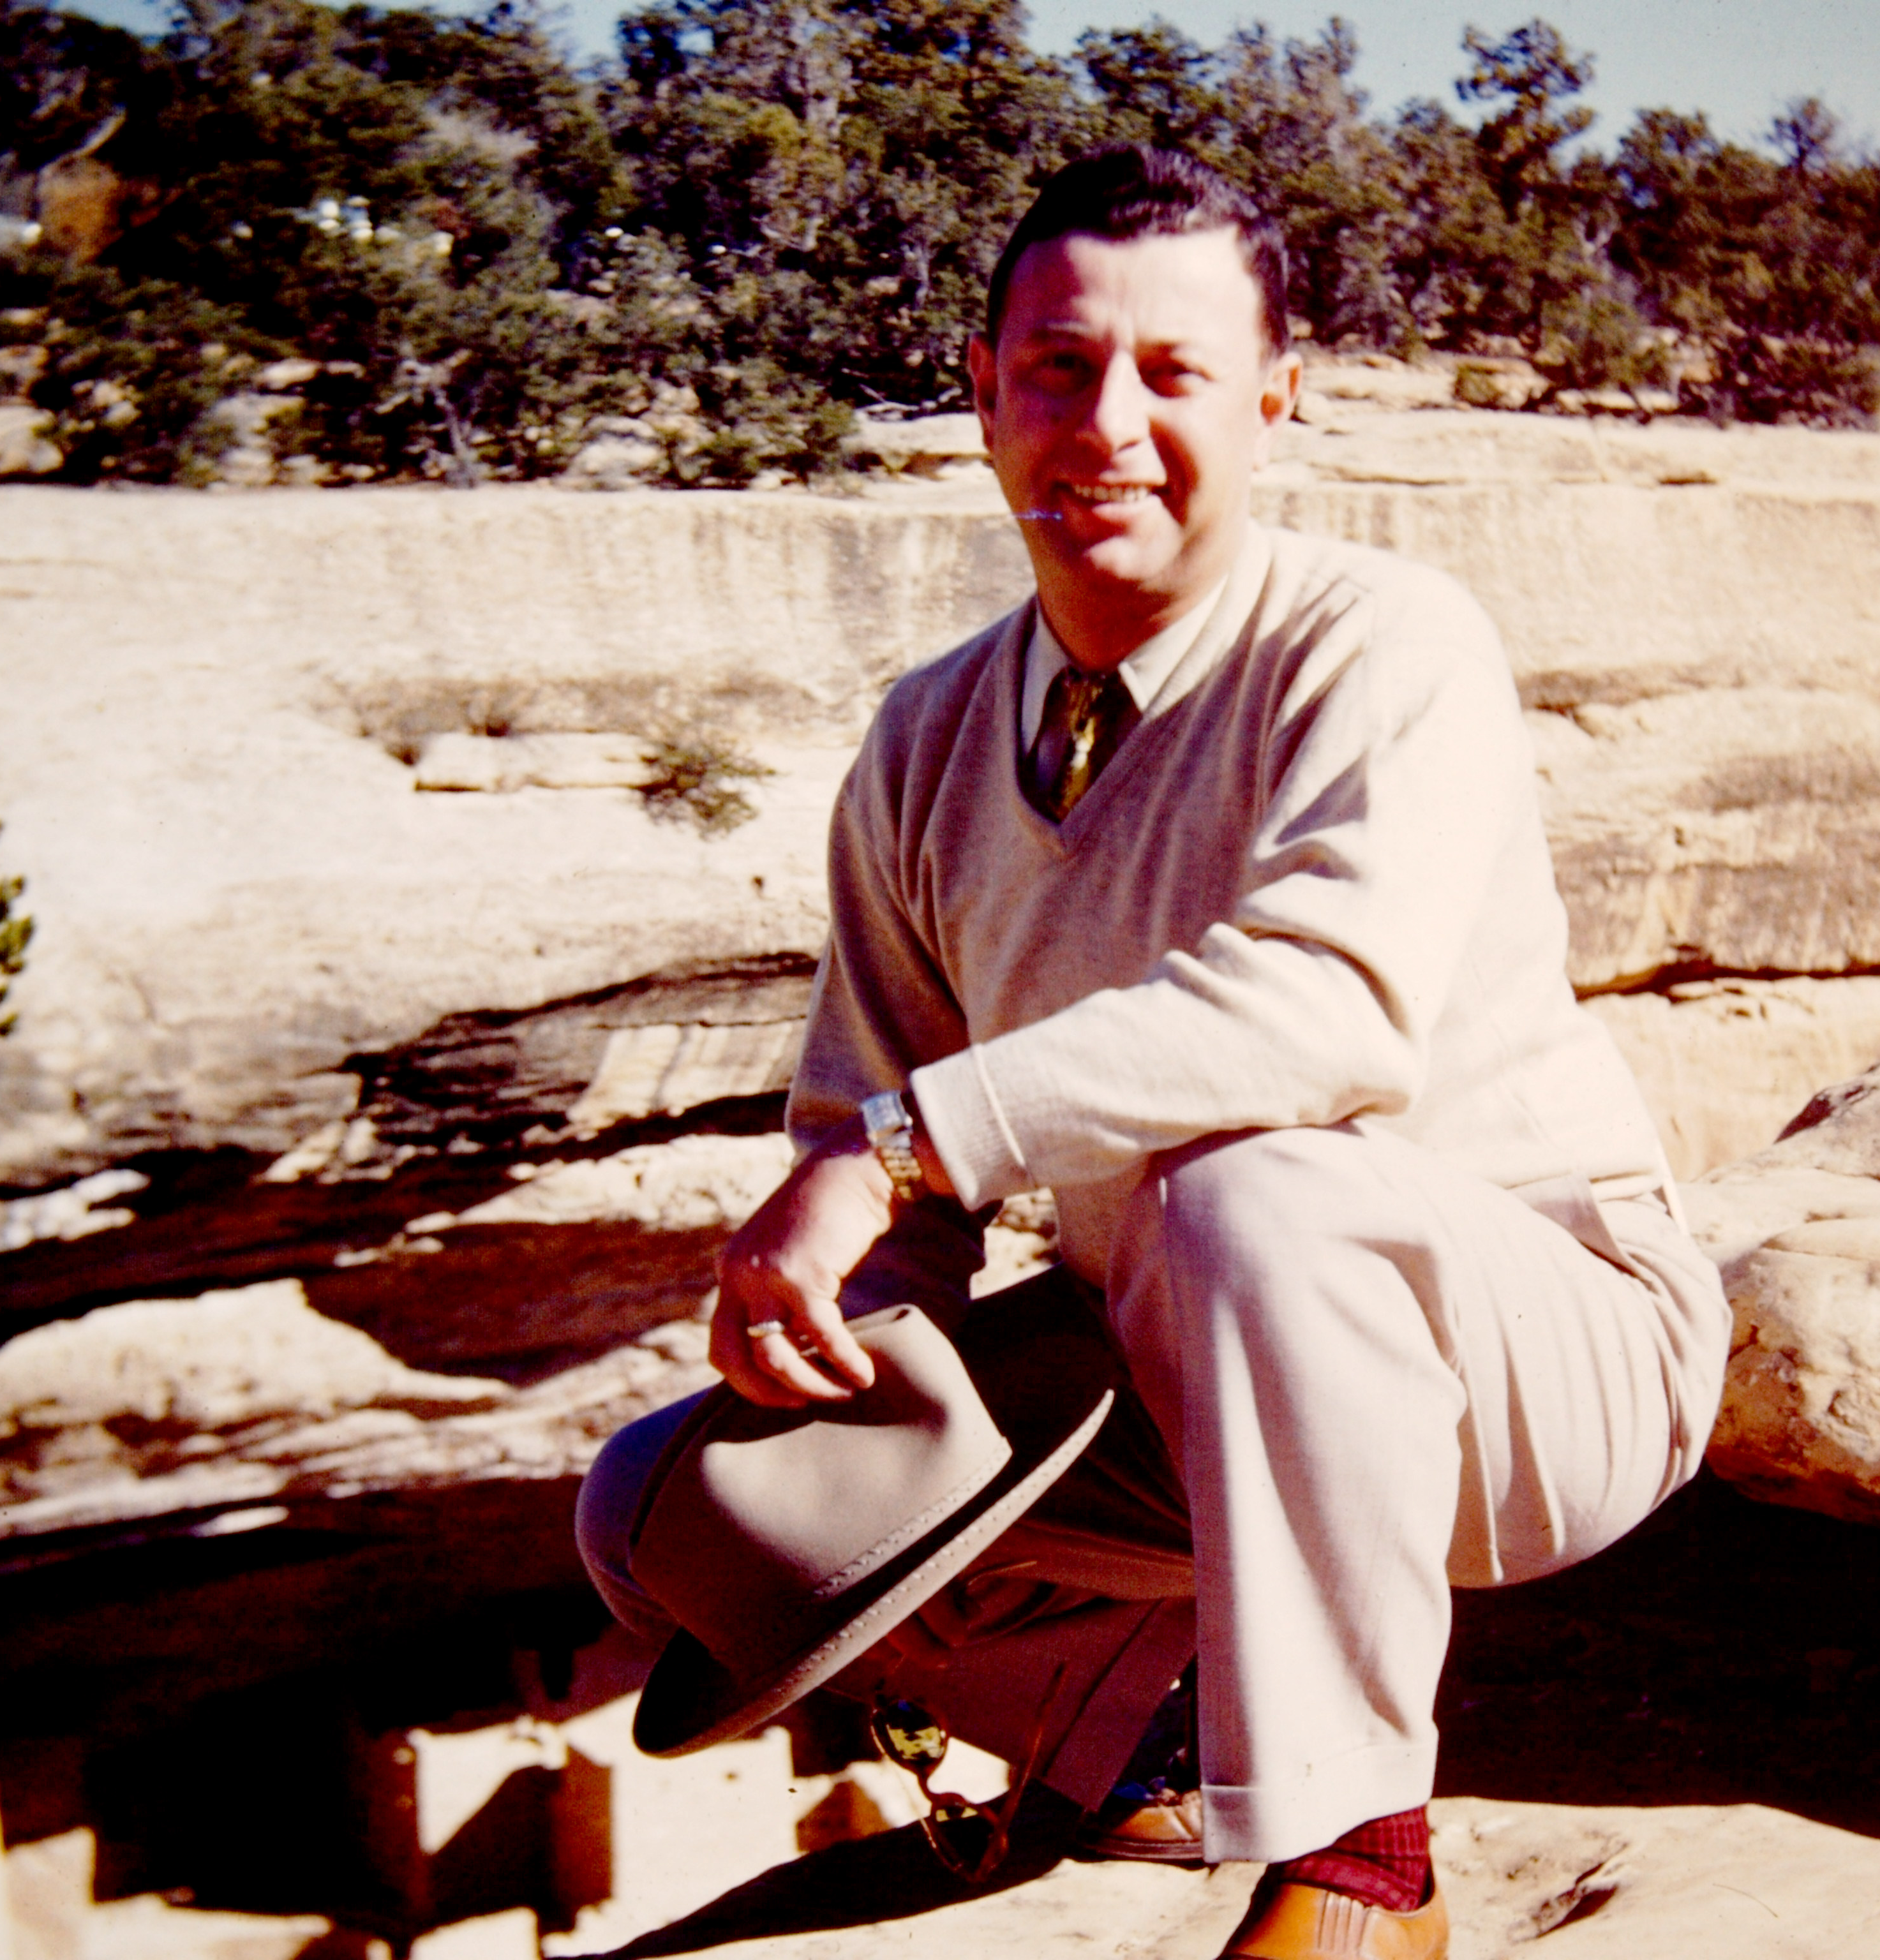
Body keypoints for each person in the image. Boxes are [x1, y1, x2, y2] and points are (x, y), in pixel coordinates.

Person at [577, 145, 1729, 1960]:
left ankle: (1361, 1867)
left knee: (1254, 1193)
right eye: (1057, 367)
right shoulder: (927, 740)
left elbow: (1328, 1015)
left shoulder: (1382, 642)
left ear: (1276, 399)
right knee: (675, 1506)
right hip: (1189, 1370)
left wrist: (897, 1147)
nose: (1108, 424)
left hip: (1538, 1356)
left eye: (1175, 373)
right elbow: (877, 1169)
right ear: (984, 394)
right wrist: (830, 1345)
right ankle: (1136, 1730)